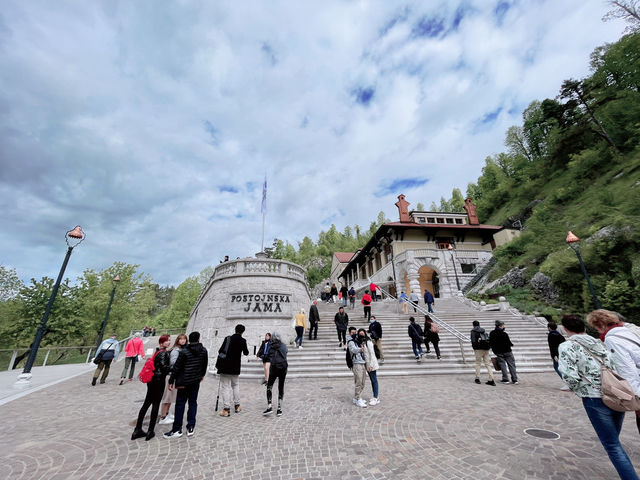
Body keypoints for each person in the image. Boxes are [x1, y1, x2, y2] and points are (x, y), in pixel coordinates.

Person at [558, 314, 639, 480]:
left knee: (612, 445)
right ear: (584, 327)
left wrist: (584, 389)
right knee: (613, 439)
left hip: (594, 398)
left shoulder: (567, 346)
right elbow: (614, 365)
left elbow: (568, 374)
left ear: (565, 329)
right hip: (614, 393)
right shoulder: (600, 342)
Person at [587, 309, 640, 435]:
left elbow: (627, 369)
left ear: (600, 325)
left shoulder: (612, 339)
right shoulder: (628, 332)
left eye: (596, 327)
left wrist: (637, 399)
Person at [163, 331, 208, 438]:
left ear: (189, 340)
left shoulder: (184, 351)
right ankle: (191, 426)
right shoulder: (204, 351)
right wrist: (201, 375)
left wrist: (171, 381)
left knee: (180, 404)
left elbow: (177, 367)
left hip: (183, 382)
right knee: (193, 403)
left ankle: (177, 429)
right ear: (198, 339)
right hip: (195, 381)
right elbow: (204, 365)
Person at [131, 335, 171, 441]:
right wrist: (175, 367)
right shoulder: (164, 353)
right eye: (167, 341)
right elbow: (164, 367)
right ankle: (150, 431)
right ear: (161, 342)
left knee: (146, 403)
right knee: (155, 404)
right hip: (158, 381)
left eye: (169, 340)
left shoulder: (157, 351)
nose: (169, 342)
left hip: (152, 380)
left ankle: (137, 429)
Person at [216, 324, 250, 416]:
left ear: (235, 330)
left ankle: (226, 409)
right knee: (235, 385)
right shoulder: (243, 341)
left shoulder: (228, 339)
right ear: (243, 332)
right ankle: (237, 405)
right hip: (235, 367)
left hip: (225, 366)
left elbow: (220, 351)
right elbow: (246, 353)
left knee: (225, 387)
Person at [159, 333, 188, 425]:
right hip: (171, 375)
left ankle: (167, 413)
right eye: (181, 339)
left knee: (171, 397)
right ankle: (163, 417)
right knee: (167, 397)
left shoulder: (181, 349)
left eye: (184, 339)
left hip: (175, 375)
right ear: (178, 340)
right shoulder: (176, 350)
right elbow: (173, 363)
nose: (183, 341)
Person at [263, 331, 288, 416]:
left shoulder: (270, 346)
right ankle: (279, 409)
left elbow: (267, 356)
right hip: (283, 368)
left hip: (274, 368)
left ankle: (269, 406)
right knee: (281, 387)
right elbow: (286, 354)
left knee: (269, 386)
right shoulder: (284, 346)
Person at [489, 320, 518, 384]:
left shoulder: (492, 333)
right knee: (511, 365)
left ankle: (505, 379)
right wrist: (511, 345)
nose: (503, 327)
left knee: (502, 365)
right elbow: (509, 343)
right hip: (507, 351)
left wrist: (494, 350)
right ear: (500, 326)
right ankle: (514, 379)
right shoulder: (504, 334)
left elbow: (491, 342)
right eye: (503, 326)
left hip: (498, 352)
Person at [347, 326, 367, 408]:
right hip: (356, 363)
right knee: (358, 381)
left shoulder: (359, 341)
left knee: (363, 382)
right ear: (349, 333)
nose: (354, 334)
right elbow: (353, 350)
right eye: (352, 332)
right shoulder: (351, 342)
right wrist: (360, 349)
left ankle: (357, 397)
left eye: (355, 332)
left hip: (362, 363)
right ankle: (357, 398)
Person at [470, 320, 495, 386]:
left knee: (478, 363)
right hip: (486, 348)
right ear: (479, 325)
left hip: (478, 349)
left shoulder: (473, 331)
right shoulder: (483, 330)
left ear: (473, 325)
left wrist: (474, 348)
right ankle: (491, 379)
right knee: (488, 364)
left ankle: (477, 378)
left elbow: (473, 340)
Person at [359, 328, 380, 406]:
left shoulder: (368, 341)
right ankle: (375, 396)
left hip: (371, 364)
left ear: (365, 333)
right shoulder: (362, 342)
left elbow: (372, 354)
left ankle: (376, 397)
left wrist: (371, 365)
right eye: (360, 334)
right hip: (367, 364)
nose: (361, 335)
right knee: (372, 380)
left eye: (362, 333)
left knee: (374, 380)